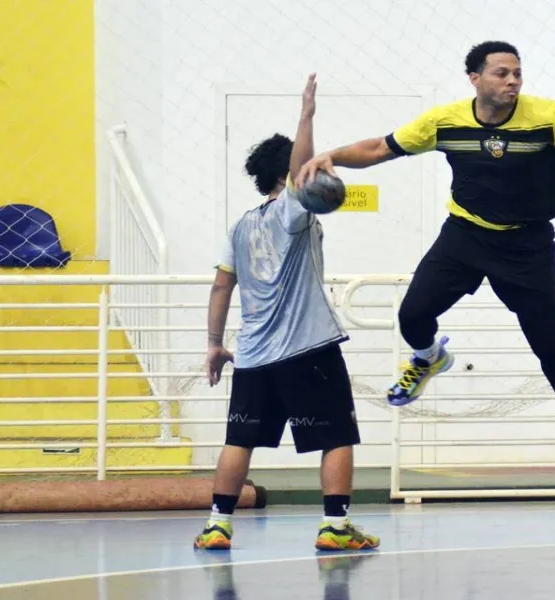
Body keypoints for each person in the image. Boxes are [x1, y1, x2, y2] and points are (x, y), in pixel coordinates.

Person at [296, 41, 555, 464]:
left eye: (517, 73)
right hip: (465, 236)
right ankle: (429, 358)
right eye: (501, 73)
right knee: (412, 315)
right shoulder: (445, 122)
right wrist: (331, 155)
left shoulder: (549, 117)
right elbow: (380, 148)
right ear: (475, 79)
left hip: (527, 245)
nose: (512, 81)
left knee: (547, 344)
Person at [194, 73, 379, 552]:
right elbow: (302, 171)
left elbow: (221, 286)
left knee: (239, 439)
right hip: (305, 349)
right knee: (337, 435)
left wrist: (214, 345)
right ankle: (336, 527)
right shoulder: (290, 212)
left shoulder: (241, 226)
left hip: (254, 355)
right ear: (290, 174)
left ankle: (217, 526)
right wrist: (306, 116)